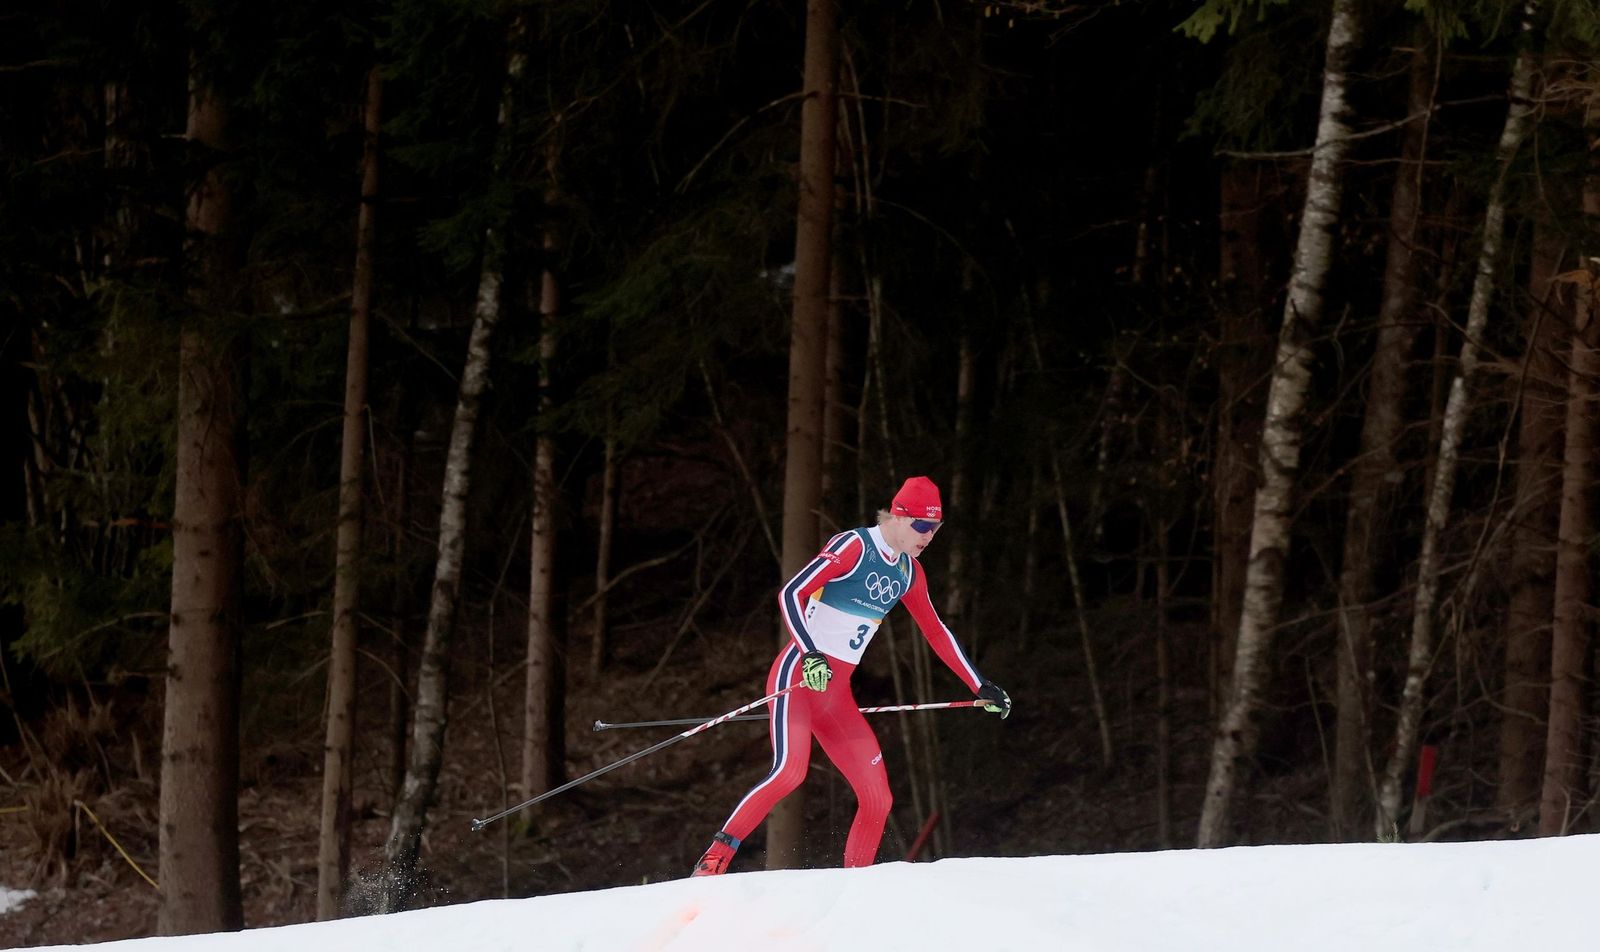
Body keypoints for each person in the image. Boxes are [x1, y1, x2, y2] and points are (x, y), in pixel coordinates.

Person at [691, 475, 1010, 876]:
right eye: (922, 526)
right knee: (790, 771)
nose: (928, 536)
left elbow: (935, 631)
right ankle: (714, 859)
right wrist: (810, 653)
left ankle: (855, 889)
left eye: (935, 528)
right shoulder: (855, 546)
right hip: (801, 677)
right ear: (898, 516)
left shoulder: (909, 573)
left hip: (836, 696)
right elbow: (791, 593)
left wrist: (979, 684)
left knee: (878, 798)